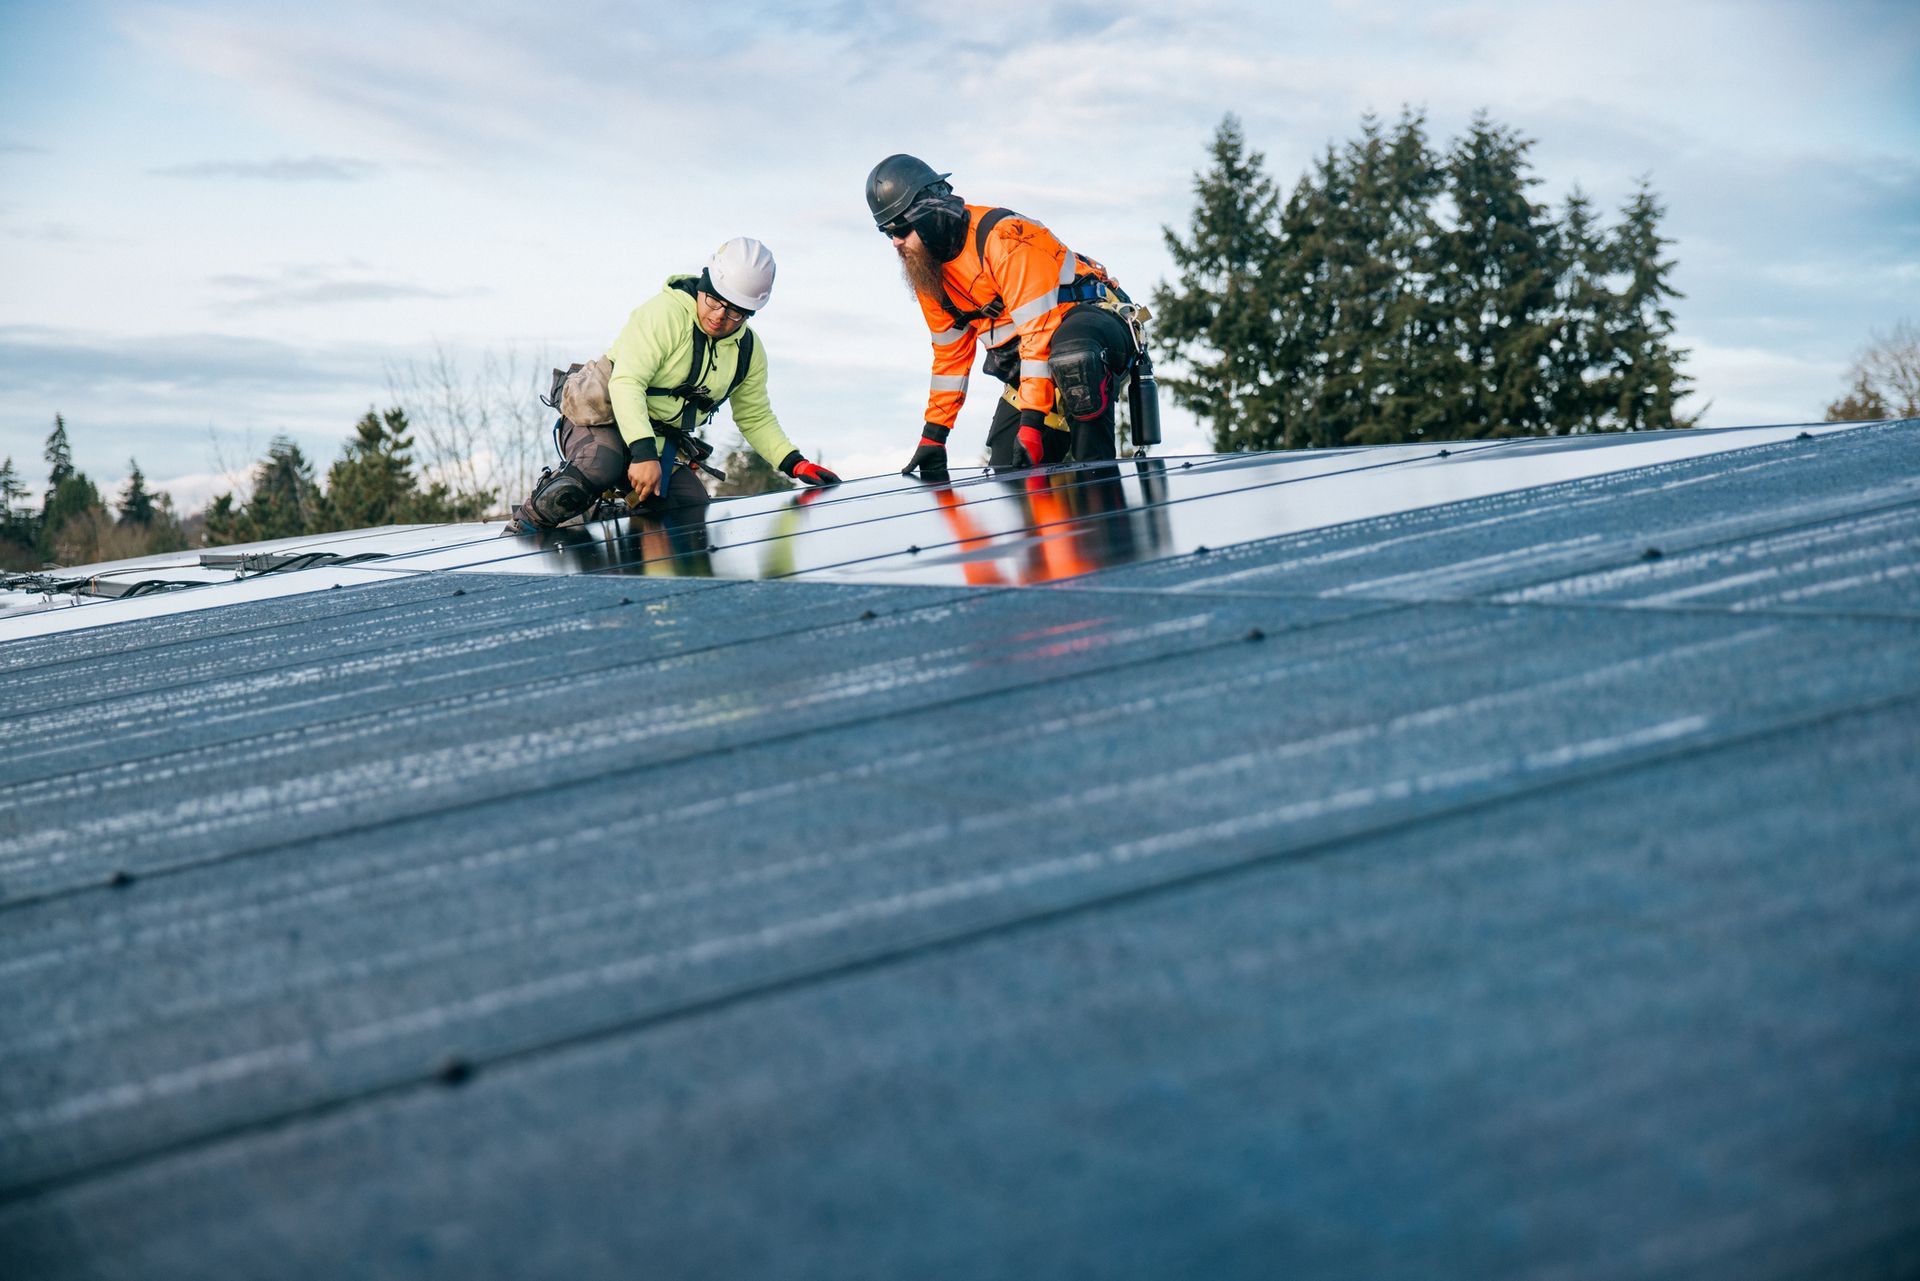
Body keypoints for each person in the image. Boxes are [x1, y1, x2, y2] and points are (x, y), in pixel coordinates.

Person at [506, 237, 838, 535]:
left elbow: (755, 417)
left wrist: (795, 462)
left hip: (659, 439)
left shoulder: (748, 352)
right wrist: (643, 453)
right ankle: (523, 527)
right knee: (600, 465)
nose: (719, 316)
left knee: (688, 510)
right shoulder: (664, 315)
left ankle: (608, 519)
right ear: (704, 285)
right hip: (600, 417)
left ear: (751, 313)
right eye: (713, 300)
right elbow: (627, 383)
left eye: (735, 312)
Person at [866, 154, 1144, 481]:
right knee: (1009, 478)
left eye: (901, 229)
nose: (896, 243)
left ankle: (1099, 493)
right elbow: (949, 359)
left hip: (1093, 331)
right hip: (1035, 369)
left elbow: (1038, 333)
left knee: (1074, 360)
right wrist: (934, 436)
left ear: (929, 214)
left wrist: (1031, 424)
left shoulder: (1004, 238)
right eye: (888, 234)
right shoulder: (929, 275)